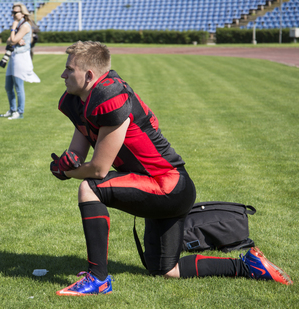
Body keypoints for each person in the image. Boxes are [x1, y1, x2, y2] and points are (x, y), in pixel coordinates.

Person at [50, 41, 293, 296]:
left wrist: (68, 172)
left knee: (89, 188)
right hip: (159, 184)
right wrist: (65, 164)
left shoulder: (109, 97)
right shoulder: (78, 100)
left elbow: (99, 169)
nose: (63, 75)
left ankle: (97, 278)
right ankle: (247, 266)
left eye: (69, 69)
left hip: (167, 185)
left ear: (89, 75)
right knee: (166, 269)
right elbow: (77, 153)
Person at [0, 2, 40, 120]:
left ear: (22, 13)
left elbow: (11, 40)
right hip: (14, 56)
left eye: (15, 12)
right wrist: (15, 39)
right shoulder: (20, 25)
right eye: (12, 12)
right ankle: (12, 110)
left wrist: (13, 28)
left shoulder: (24, 25)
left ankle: (20, 112)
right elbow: (9, 40)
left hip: (21, 57)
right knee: (8, 86)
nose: (13, 14)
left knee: (18, 86)